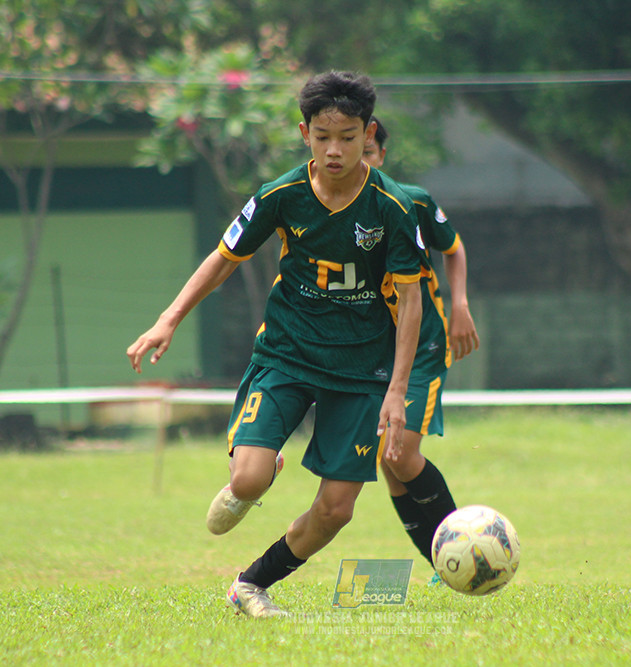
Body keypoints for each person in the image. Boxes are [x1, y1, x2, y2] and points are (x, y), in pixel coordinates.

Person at [126, 72, 425, 618]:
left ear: (368, 135)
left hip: (362, 372)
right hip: (287, 355)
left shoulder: (394, 209)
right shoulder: (280, 195)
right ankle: (257, 474)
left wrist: (398, 391)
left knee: (337, 510)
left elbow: (411, 302)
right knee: (248, 478)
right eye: (322, 136)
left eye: (349, 136)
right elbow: (223, 257)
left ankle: (250, 584)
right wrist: (168, 319)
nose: (335, 150)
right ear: (304, 133)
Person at [362, 116, 481, 572]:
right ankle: (441, 565)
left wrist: (461, 304)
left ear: (380, 155)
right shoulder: (333, 211)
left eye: (369, 153)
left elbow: (452, 247)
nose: (361, 163)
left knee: (402, 452)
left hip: (425, 347)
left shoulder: (410, 201)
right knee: (389, 461)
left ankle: (468, 550)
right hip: (375, 355)